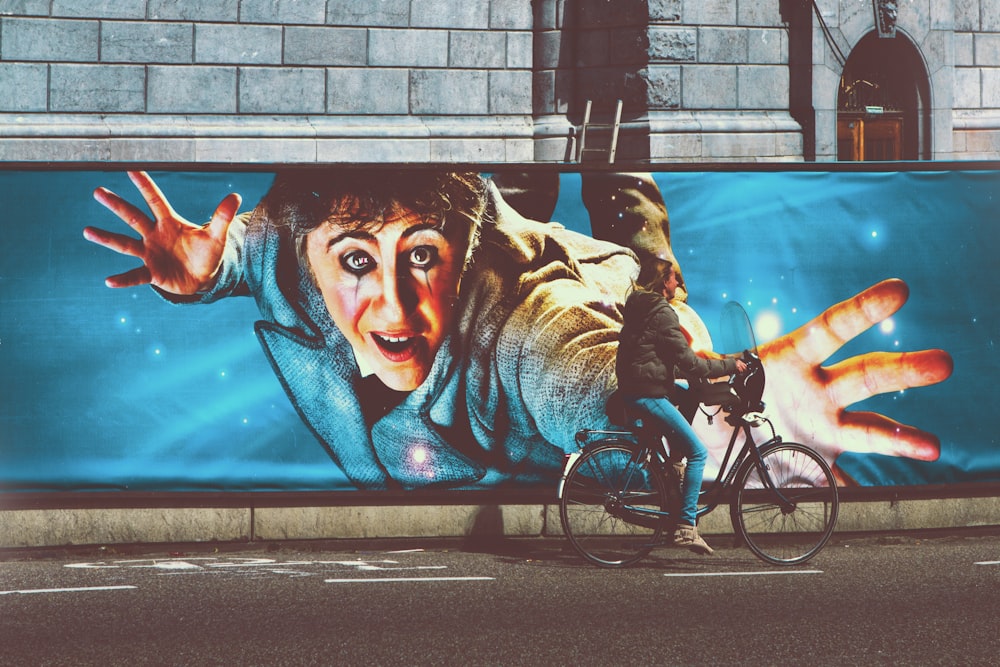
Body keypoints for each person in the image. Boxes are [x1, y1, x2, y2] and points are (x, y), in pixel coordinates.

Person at [84, 170, 639, 490]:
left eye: (422, 255)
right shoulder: (290, 248)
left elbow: (574, 362)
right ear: (305, 257)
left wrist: (647, 416)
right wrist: (208, 271)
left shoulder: (526, 316)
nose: (394, 308)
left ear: (464, 255)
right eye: (355, 262)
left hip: (631, 297)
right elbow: (249, 245)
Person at [616, 258, 748, 555]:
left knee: (687, 396)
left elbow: (654, 357)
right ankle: (686, 527)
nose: (679, 284)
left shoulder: (640, 307)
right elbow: (688, 360)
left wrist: (689, 374)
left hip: (636, 386)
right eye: (674, 278)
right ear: (664, 282)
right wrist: (729, 365)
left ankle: (674, 468)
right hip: (646, 393)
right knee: (698, 453)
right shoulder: (662, 313)